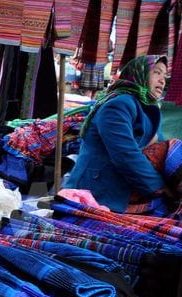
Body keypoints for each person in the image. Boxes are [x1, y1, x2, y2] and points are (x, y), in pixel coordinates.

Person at [65, 55, 173, 215]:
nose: (162, 80)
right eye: (157, 73)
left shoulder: (148, 108)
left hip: (122, 189)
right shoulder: (118, 104)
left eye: (164, 76)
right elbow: (125, 153)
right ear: (139, 74)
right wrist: (160, 187)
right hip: (95, 192)